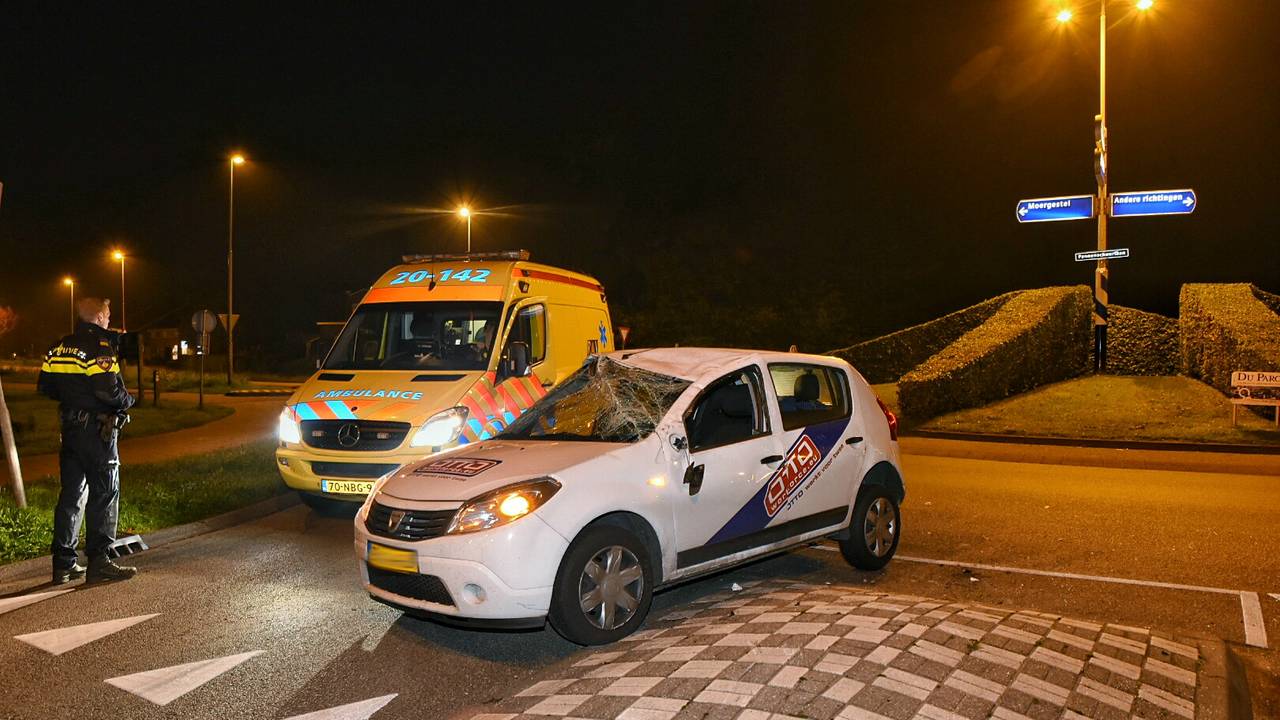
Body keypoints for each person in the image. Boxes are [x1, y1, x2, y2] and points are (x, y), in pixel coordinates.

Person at [37, 297, 137, 584]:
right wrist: (129, 400)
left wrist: (74, 400)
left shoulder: (58, 346)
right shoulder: (99, 347)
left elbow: (46, 386)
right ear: (97, 317)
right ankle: (100, 561)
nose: (108, 321)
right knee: (105, 493)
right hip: (97, 432)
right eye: (107, 315)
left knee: (71, 495)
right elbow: (109, 391)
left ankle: (63, 564)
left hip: (69, 429)